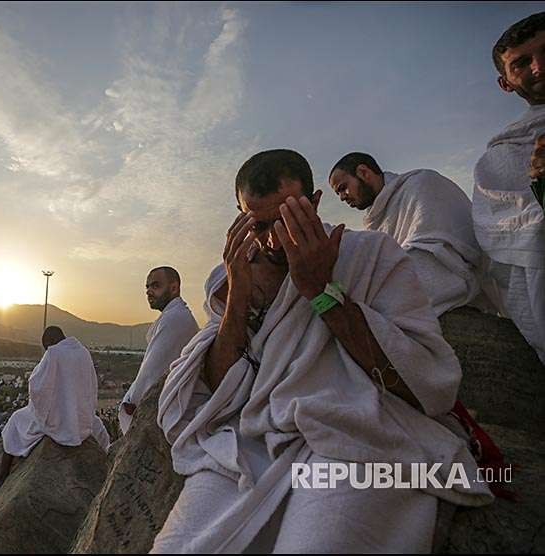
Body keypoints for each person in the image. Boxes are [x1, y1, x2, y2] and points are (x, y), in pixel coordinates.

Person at [152, 149, 492, 553]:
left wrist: (321, 290)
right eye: (259, 224)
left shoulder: (369, 255)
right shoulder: (229, 277)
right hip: (250, 439)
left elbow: (422, 381)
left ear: (313, 203)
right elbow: (217, 387)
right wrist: (239, 296)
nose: (273, 238)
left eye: (287, 217)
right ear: (241, 216)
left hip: (355, 429)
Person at [329, 152, 495, 316]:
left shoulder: (421, 183)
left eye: (343, 188)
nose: (343, 197)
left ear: (364, 173)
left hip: (453, 275)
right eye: (338, 194)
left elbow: (433, 253)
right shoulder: (374, 220)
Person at [473, 11, 545, 363]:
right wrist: (541, 187)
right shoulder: (504, 156)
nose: (540, 67)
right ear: (506, 83)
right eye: (522, 62)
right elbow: (501, 233)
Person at [0, 327, 110, 495]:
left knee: (15, 420)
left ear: (49, 342)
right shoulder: (83, 352)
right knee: (98, 426)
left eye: (45, 348)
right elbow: (91, 384)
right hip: (82, 418)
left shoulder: (54, 353)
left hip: (60, 420)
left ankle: (1, 475)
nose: (46, 351)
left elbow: (37, 387)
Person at [118, 267, 199, 434]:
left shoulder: (175, 319)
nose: (148, 291)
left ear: (174, 288)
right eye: (147, 287)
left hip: (168, 413)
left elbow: (152, 372)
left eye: (155, 286)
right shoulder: (174, 315)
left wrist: (131, 402)